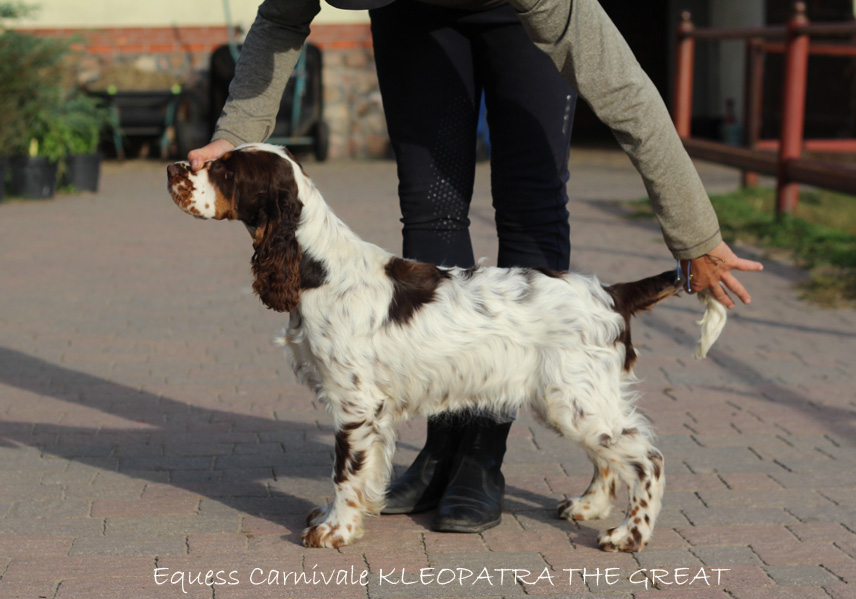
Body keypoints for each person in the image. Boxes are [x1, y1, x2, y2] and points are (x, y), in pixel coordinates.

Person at [188, 0, 763, 535]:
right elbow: (281, 20)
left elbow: (625, 93)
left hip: (516, 16)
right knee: (431, 204)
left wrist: (696, 236)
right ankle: (444, 447)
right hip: (410, 15)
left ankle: (483, 456)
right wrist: (236, 137)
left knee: (531, 203)